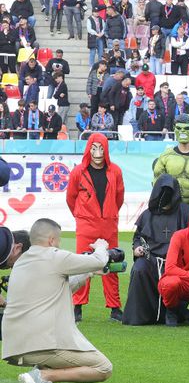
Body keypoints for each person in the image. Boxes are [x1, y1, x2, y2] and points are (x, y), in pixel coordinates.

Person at [4, 219, 113, 383]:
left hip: (15, 345)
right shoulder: (55, 256)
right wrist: (102, 247)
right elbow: (99, 260)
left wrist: (87, 274)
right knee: (103, 367)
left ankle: (44, 380)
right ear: (52, 240)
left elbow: (58, 289)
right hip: (40, 345)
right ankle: (45, 376)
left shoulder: (21, 263)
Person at [66, 132, 124, 322]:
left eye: (101, 148)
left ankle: (115, 308)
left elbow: (119, 197)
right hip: (86, 225)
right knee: (82, 264)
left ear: (106, 149)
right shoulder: (78, 172)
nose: (98, 152)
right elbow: (71, 198)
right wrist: (82, 216)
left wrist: (110, 213)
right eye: (94, 148)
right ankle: (77, 307)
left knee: (112, 264)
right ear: (88, 149)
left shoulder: (115, 171)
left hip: (108, 224)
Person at [123, 175, 189, 326]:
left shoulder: (186, 212)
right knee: (139, 269)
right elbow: (138, 237)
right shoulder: (148, 214)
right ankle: (140, 316)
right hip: (151, 259)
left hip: (176, 262)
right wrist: (137, 248)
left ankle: (174, 313)